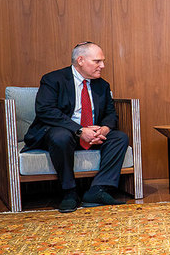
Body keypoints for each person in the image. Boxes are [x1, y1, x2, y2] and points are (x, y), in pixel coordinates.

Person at [23, 42, 130, 213]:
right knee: (60, 136)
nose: (102, 66)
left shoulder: (102, 85)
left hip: (92, 133)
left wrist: (103, 129)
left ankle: (98, 190)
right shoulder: (53, 79)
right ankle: (69, 192)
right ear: (80, 60)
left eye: (102, 61)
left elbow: (111, 114)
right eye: (97, 61)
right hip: (61, 132)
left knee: (120, 138)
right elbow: (45, 111)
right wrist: (80, 131)